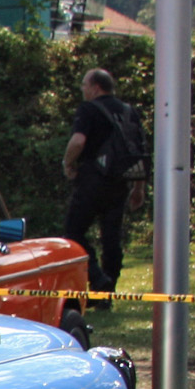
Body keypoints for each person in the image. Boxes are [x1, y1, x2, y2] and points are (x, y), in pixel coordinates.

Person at [63, 67, 146, 308]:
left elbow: (78, 141)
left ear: (95, 87)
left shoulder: (88, 110)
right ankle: (108, 293)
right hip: (119, 183)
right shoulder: (129, 112)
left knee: (73, 232)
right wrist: (139, 187)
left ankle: (98, 279)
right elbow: (138, 151)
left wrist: (67, 163)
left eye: (84, 85)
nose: (83, 90)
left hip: (92, 181)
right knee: (111, 237)